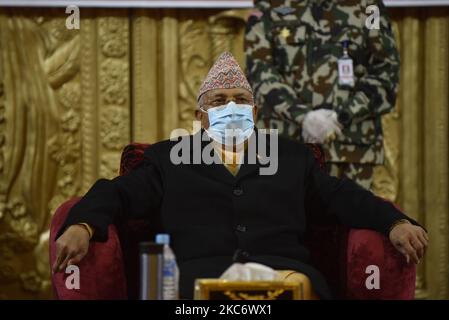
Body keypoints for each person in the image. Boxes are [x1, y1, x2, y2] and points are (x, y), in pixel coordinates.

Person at [53, 52, 427, 299]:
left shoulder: (291, 157)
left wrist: (393, 222)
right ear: (200, 117)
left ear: (255, 111)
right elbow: (117, 194)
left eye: (240, 100)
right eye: (218, 102)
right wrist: (83, 225)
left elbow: (342, 197)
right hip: (195, 283)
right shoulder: (168, 158)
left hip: (285, 278)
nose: (231, 107)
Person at [245, 0, 400, 190]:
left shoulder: (369, 7)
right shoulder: (270, 5)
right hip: (284, 146)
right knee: (281, 218)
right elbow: (259, 71)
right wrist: (303, 117)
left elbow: (385, 72)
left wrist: (341, 117)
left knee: (351, 219)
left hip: (350, 149)